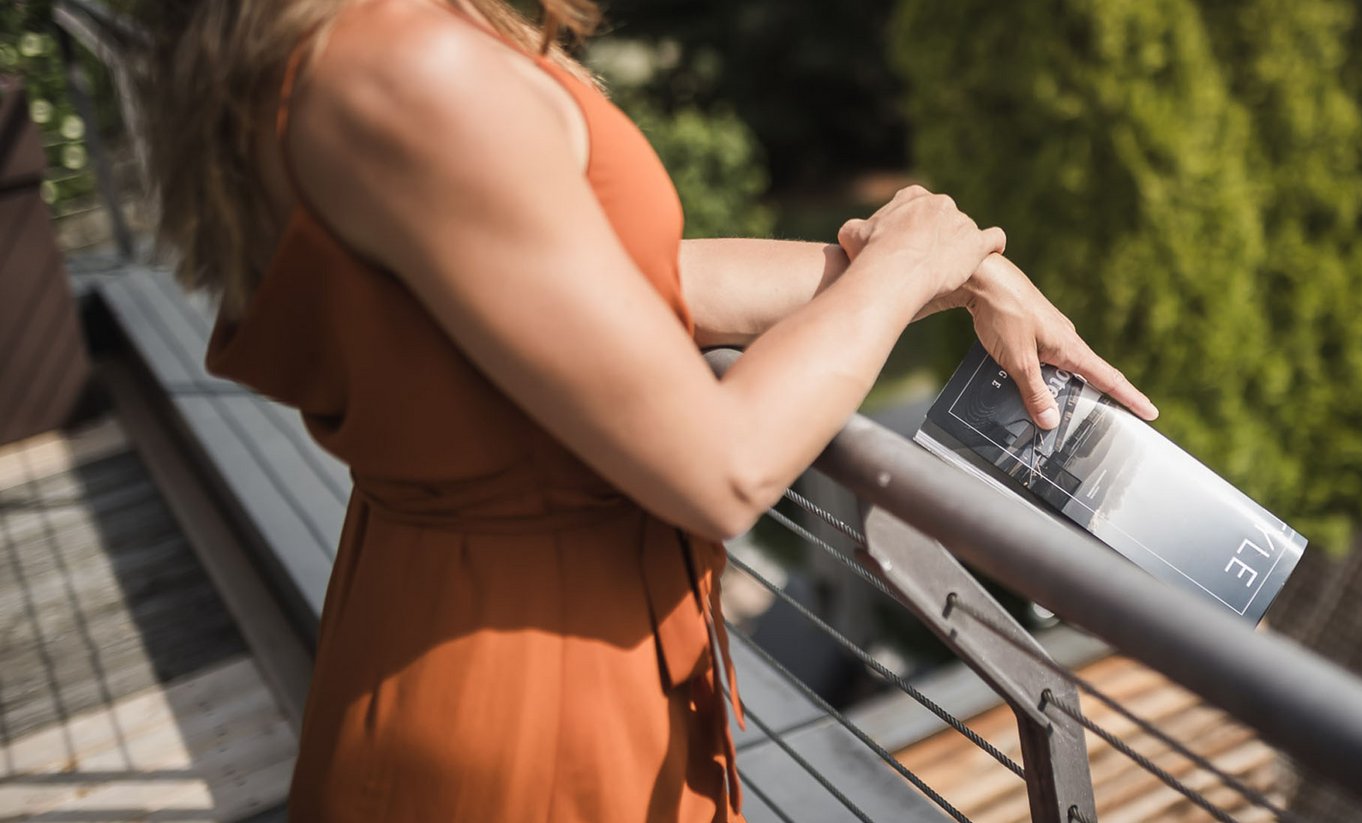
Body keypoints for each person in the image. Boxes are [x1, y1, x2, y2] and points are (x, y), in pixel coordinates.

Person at [133, 0, 1156, 819]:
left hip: (487, 625)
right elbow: (724, 465)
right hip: (530, 710)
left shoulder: (348, 45)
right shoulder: (405, 69)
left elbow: (614, 283)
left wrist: (951, 274)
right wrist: (904, 266)